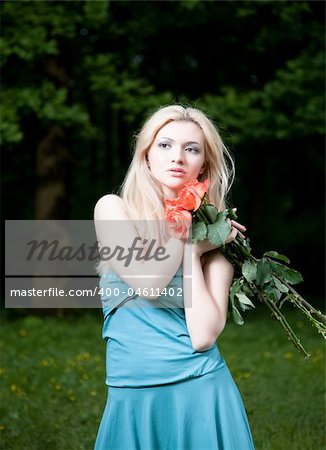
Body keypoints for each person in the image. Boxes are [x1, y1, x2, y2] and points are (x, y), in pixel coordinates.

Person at [93, 105, 255, 449]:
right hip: (131, 396)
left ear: (204, 167)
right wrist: (191, 240)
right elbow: (147, 281)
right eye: (164, 145)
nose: (177, 157)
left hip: (201, 392)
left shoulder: (217, 255)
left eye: (191, 149)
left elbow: (203, 338)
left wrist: (195, 251)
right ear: (146, 156)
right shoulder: (113, 209)